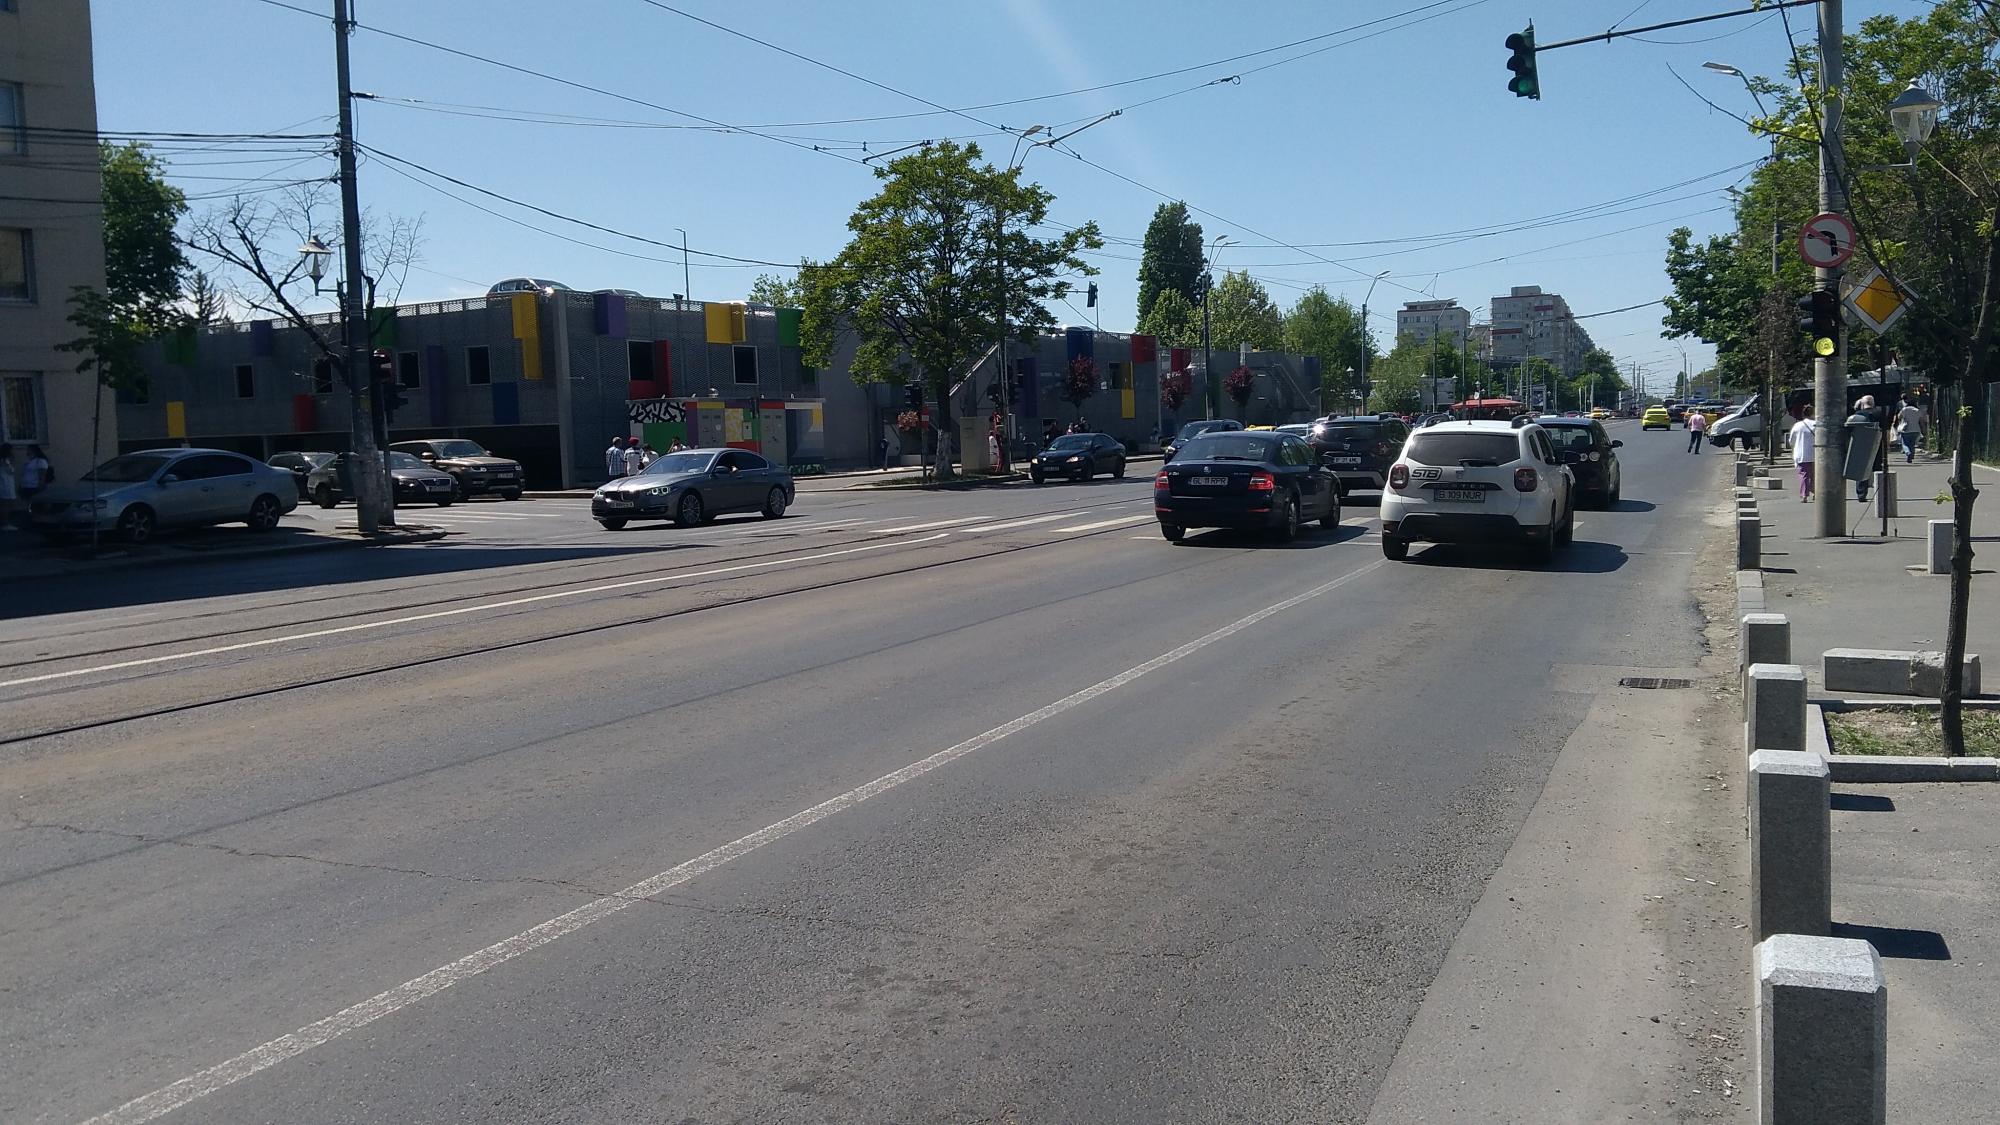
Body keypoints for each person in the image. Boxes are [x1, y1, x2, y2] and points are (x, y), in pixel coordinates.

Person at [1788, 404, 1817, 502]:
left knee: (1804, 475)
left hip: (1801, 454)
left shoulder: (1797, 425)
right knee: (1815, 475)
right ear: (1813, 413)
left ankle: (1804, 495)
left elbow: (1791, 441)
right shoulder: (1816, 425)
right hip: (1815, 454)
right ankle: (1816, 492)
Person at [1896, 397, 1927, 463]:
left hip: (1906, 429)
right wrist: (1924, 430)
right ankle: (1912, 454)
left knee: (1905, 443)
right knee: (1912, 444)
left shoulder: (1905, 409)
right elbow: (1921, 422)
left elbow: (1899, 416)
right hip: (1916, 430)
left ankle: (1908, 452)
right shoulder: (1917, 410)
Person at [0, 444, 16, 531]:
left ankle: (4, 523)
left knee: (4, 504)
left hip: (4, 484)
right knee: (6, 504)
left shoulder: (3, 459)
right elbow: (11, 471)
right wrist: (11, 464)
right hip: (6, 484)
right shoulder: (5, 460)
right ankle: (5, 524)